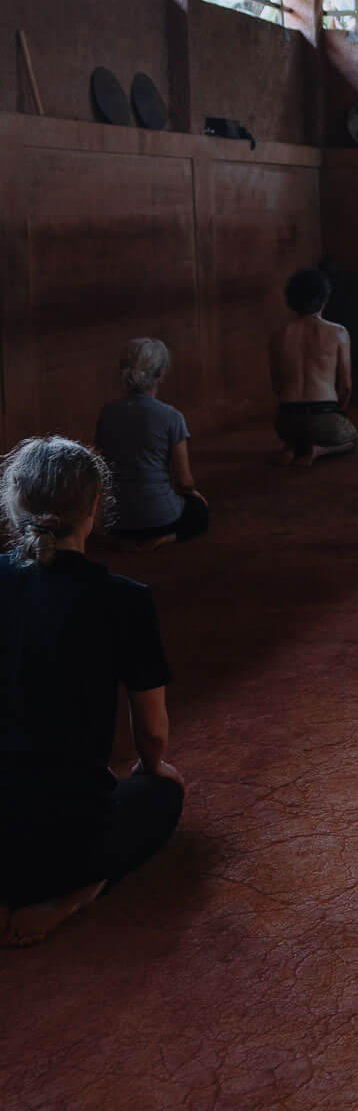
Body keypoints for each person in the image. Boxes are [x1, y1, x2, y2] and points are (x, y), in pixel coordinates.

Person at [0, 437, 184, 948]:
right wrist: (155, 767)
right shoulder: (125, 600)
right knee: (164, 795)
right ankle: (76, 893)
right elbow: (151, 731)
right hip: (70, 841)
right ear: (93, 507)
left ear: (14, 503)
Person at [94, 338, 209, 549]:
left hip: (116, 520)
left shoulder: (107, 413)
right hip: (159, 519)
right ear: (160, 374)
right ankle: (162, 539)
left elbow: (101, 469)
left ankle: (124, 539)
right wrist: (192, 494)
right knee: (199, 511)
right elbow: (185, 481)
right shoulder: (171, 416)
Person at [270, 267, 358, 466]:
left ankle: (292, 447)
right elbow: (346, 387)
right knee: (351, 438)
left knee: (298, 429)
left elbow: (276, 385)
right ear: (324, 298)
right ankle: (319, 450)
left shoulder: (278, 335)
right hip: (322, 417)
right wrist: (339, 413)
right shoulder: (338, 332)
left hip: (286, 421)